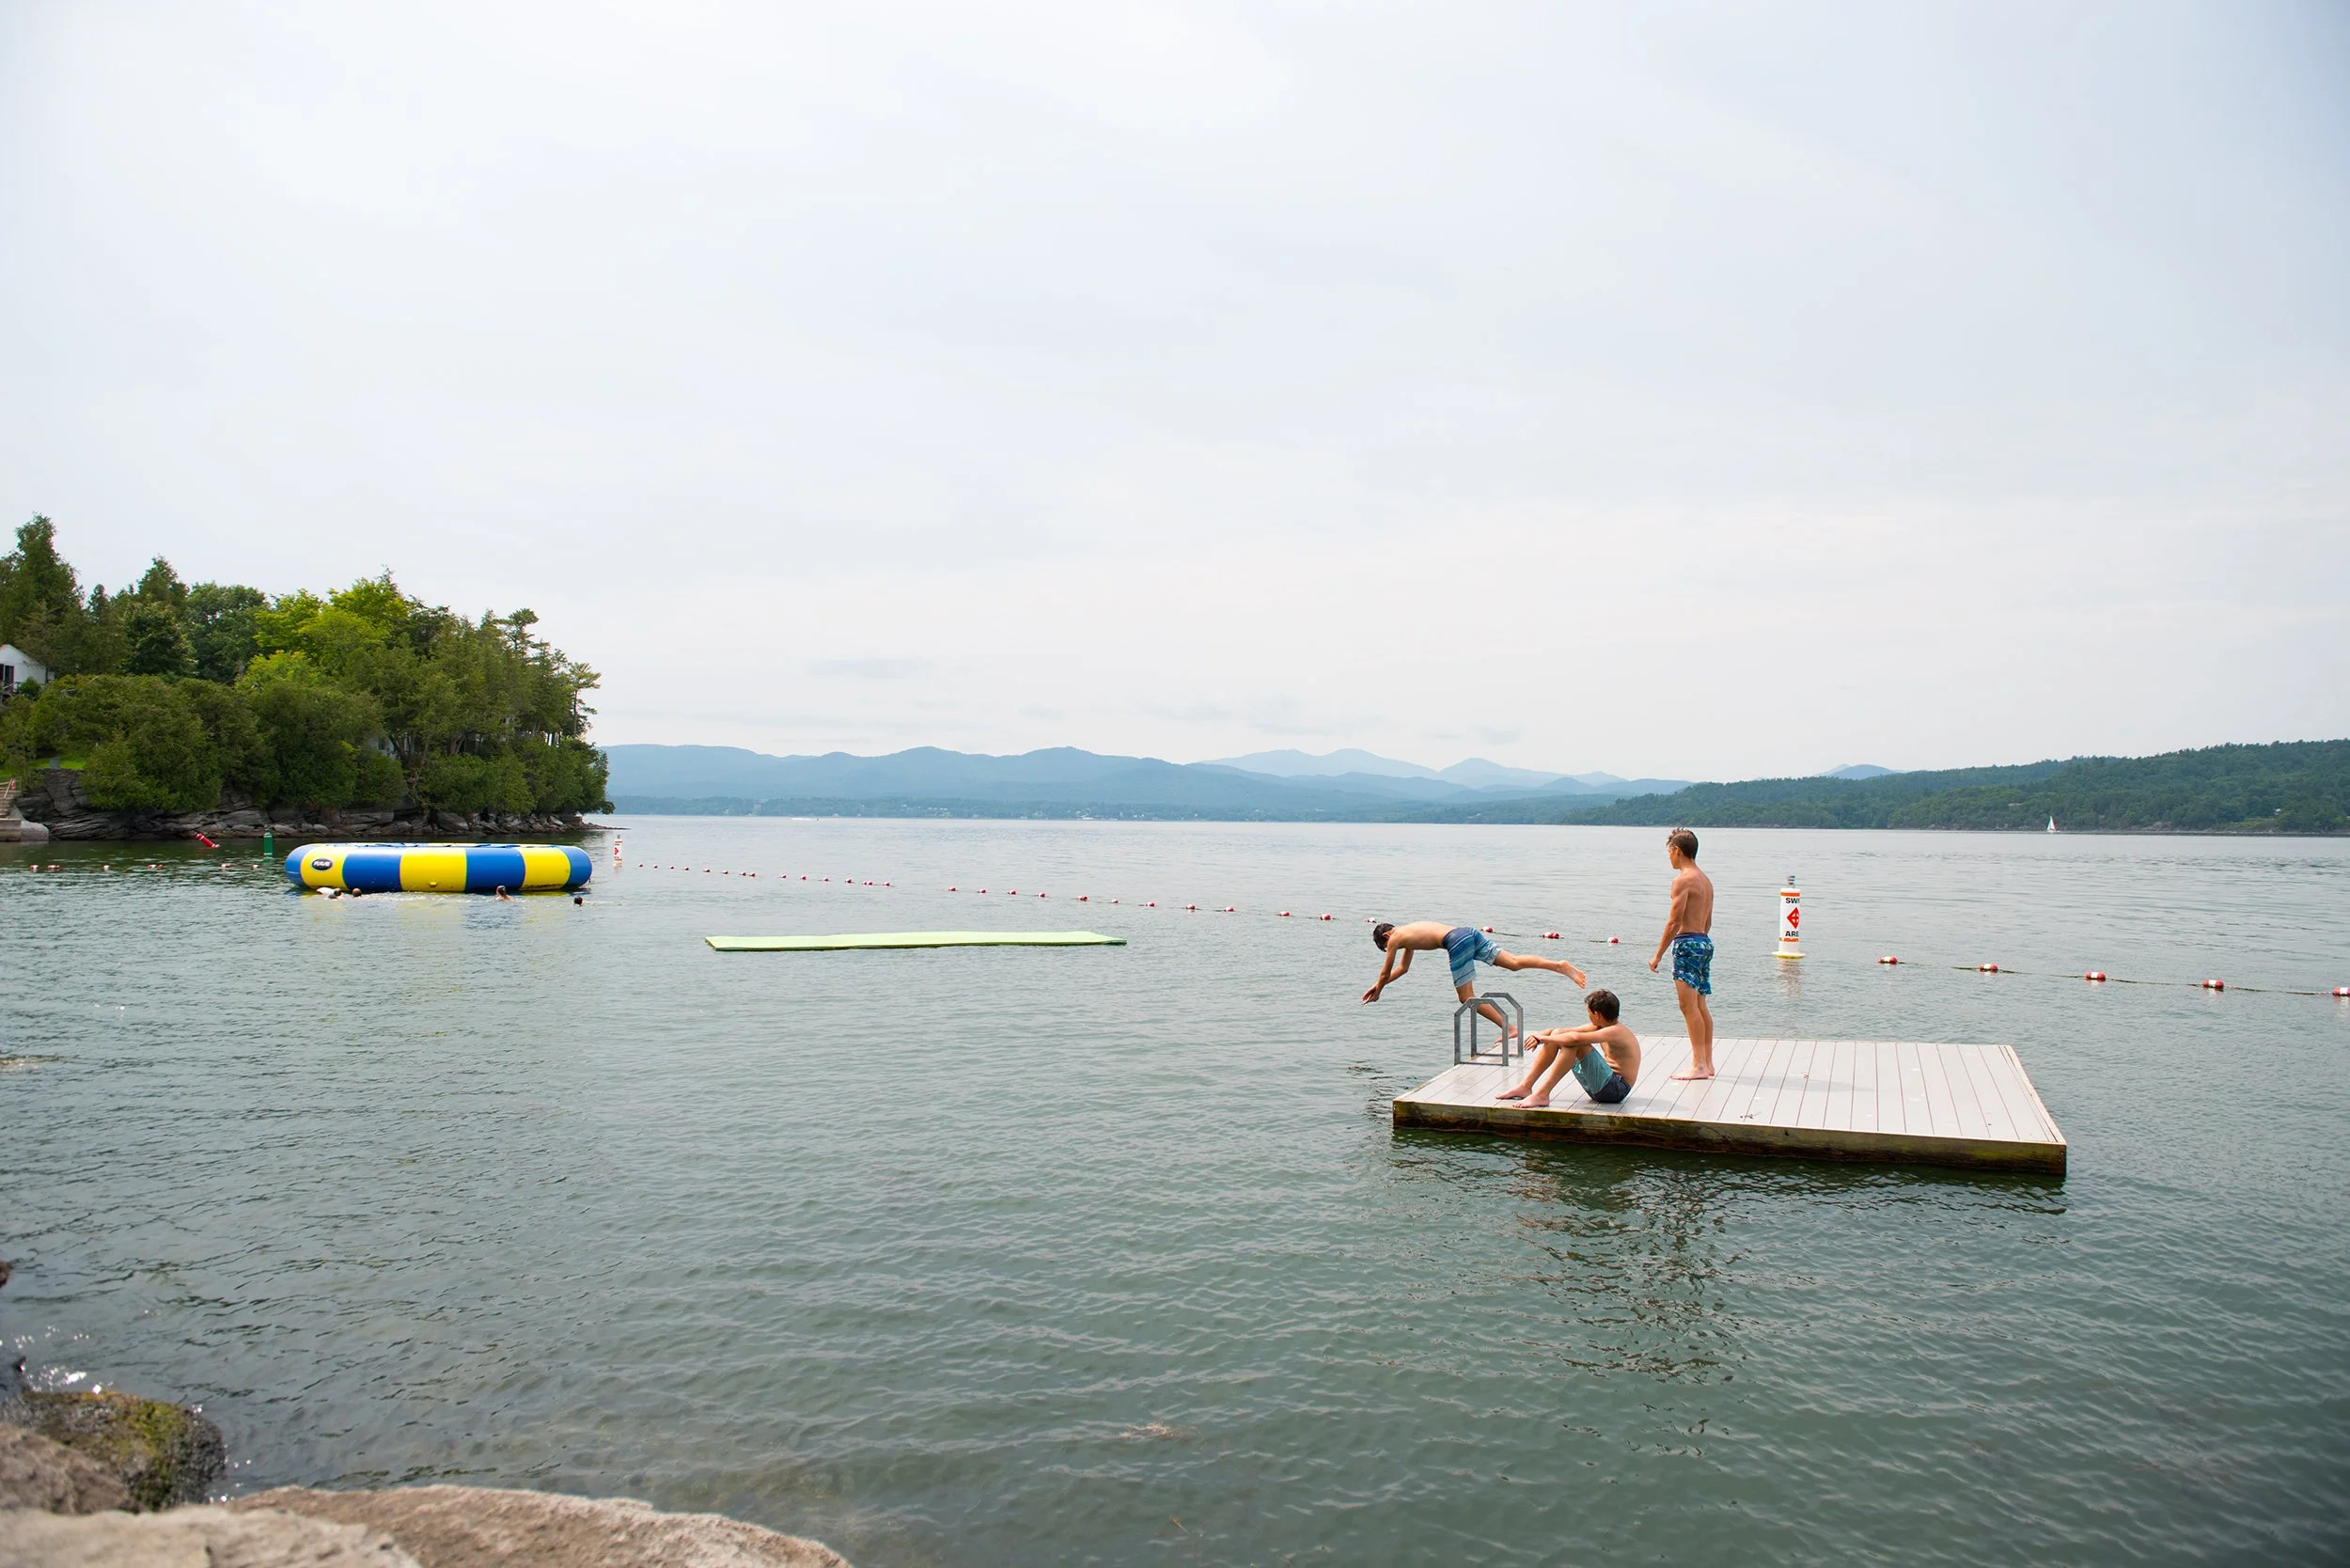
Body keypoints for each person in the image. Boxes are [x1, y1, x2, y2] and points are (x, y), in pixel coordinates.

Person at [1362, 920, 1587, 1046]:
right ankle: (1558, 965)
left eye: (1385, 947)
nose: (1390, 949)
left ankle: (1510, 1028)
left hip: (1455, 942)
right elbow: (1403, 969)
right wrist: (1379, 985)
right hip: (1466, 932)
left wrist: (1379, 989)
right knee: (1514, 962)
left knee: (1466, 997)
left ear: (1386, 937)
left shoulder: (1396, 939)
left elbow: (1386, 972)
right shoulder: (1406, 933)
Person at [1648, 827, 1716, 1079]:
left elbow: (1674, 921)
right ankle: (1707, 1063)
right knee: (1700, 1005)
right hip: (1704, 942)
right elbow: (1707, 921)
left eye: (1669, 853)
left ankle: (1698, 1065)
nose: (1669, 858)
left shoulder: (1683, 880)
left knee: (1688, 1007)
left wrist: (1658, 955)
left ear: (1677, 850)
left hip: (1687, 943)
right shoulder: (1706, 881)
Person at [1496, 989, 1640, 1107]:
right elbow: (1563, 1032)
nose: (1588, 1016)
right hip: (1602, 1085)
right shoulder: (1601, 1026)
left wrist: (1543, 1039)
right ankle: (1525, 1086)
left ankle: (1542, 1095)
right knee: (1559, 1036)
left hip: (1615, 1090)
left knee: (1574, 1043)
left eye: (1589, 1013)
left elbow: (1576, 1039)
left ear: (1597, 1014)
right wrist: (1543, 1034)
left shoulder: (1616, 1031)